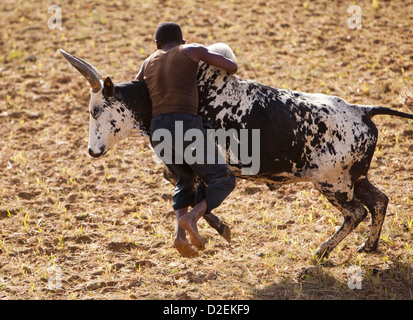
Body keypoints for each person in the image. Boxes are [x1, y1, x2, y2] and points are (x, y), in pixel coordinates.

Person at [136, 22, 237, 257]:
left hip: (157, 129)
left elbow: (137, 88)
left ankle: (179, 237)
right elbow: (232, 66)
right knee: (224, 178)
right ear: (181, 41)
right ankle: (193, 217)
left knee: (184, 179)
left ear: (157, 44)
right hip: (185, 125)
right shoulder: (191, 50)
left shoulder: (148, 62)